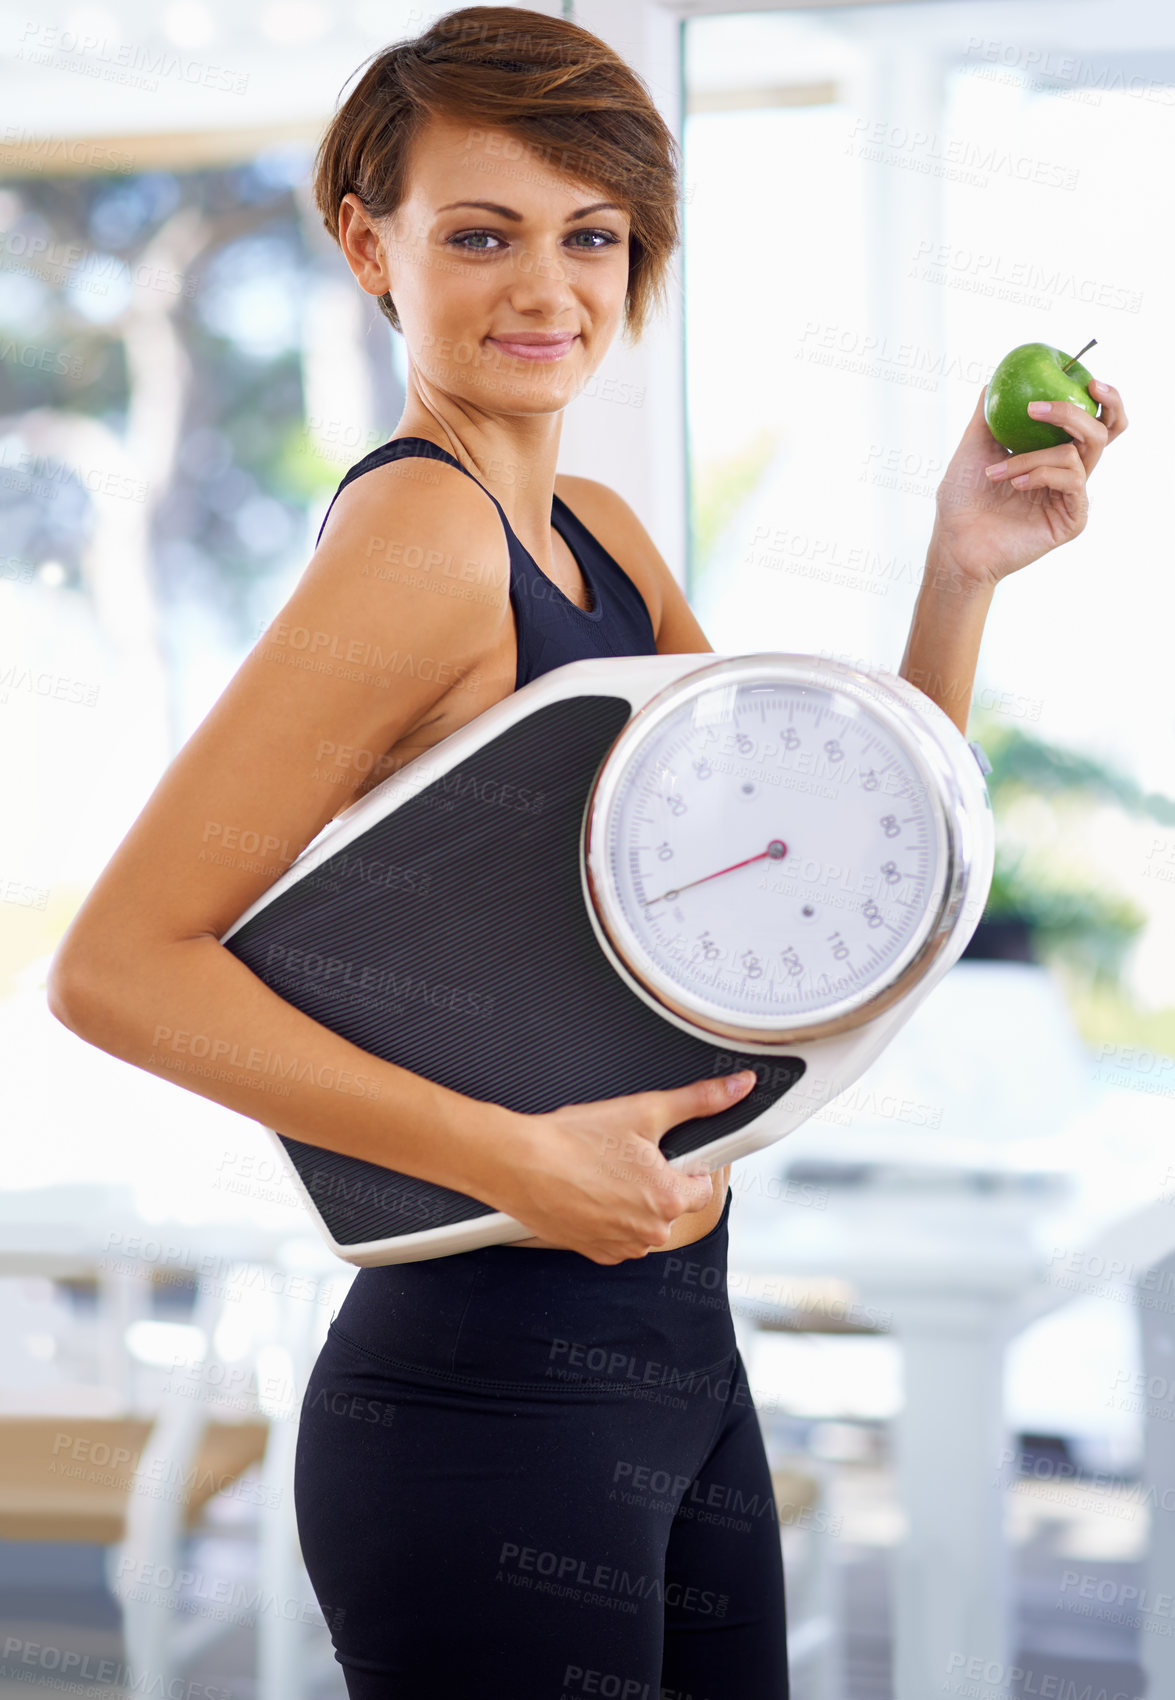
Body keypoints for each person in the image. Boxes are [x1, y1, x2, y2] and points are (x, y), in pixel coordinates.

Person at [46, 6, 1127, 1696]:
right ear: (367, 243)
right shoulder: (421, 536)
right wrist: (513, 1158)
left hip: (677, 1363)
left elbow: (828, 879)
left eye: (593, 236)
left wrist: (959, 570)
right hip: (482, 1403)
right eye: (481, 233)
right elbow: (117, 969)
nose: (547, 289)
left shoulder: (599, 532)